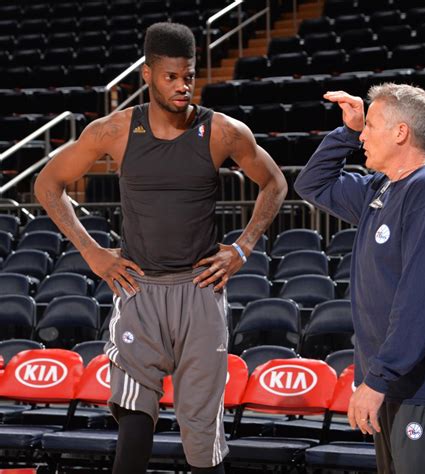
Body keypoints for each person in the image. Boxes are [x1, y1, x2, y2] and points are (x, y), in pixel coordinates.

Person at [34, 22, 287, 474]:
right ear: (147, 75)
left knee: (202, 434)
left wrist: (242, 247)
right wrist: (91, 251)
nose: (182, 86)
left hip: (200, 290)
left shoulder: (222, 132)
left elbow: (275, 183)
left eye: (188, 76)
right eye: (171, 77)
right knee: (134, 415)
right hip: (139, 289)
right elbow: (47, 184)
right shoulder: (114, 130)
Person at [294, 84, 425, 473]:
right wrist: (346, 131)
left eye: (370, 126)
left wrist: (376, 380)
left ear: (400, 132)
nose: (363, 136)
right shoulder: (380, 189)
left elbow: (421, 302)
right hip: (394, 385)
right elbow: (312, 184)